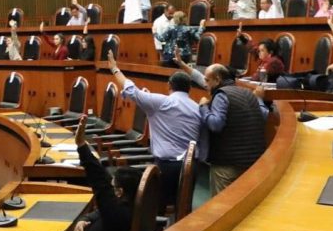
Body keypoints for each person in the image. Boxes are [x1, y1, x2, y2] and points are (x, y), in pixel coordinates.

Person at [106, 52, 199, 209]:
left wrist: (115, 69)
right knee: (183, 205)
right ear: (189, 89)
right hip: (191, 167)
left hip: (166, 168)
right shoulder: (197, 108)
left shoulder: (160, 103)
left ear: (169, 86)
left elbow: (131, 90)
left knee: (153, 206)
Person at [66, 113, 139, 231]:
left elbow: (100, 181)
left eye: (113, 185)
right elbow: (100, 208)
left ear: (119, 192)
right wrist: (85, 218)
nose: (110, 186)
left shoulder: (118, 215)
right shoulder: (123, 208)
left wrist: (81, 144)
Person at [199, 64, 269, 196]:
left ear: (218, 79)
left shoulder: (221, 95)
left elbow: (215, 124)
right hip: (252, 163)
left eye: (207, 80)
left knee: (222, 207)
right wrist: (259, 98)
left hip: (226, 165)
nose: (205, 84)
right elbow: (263, 115)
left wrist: (203, 107)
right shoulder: (248, 93)